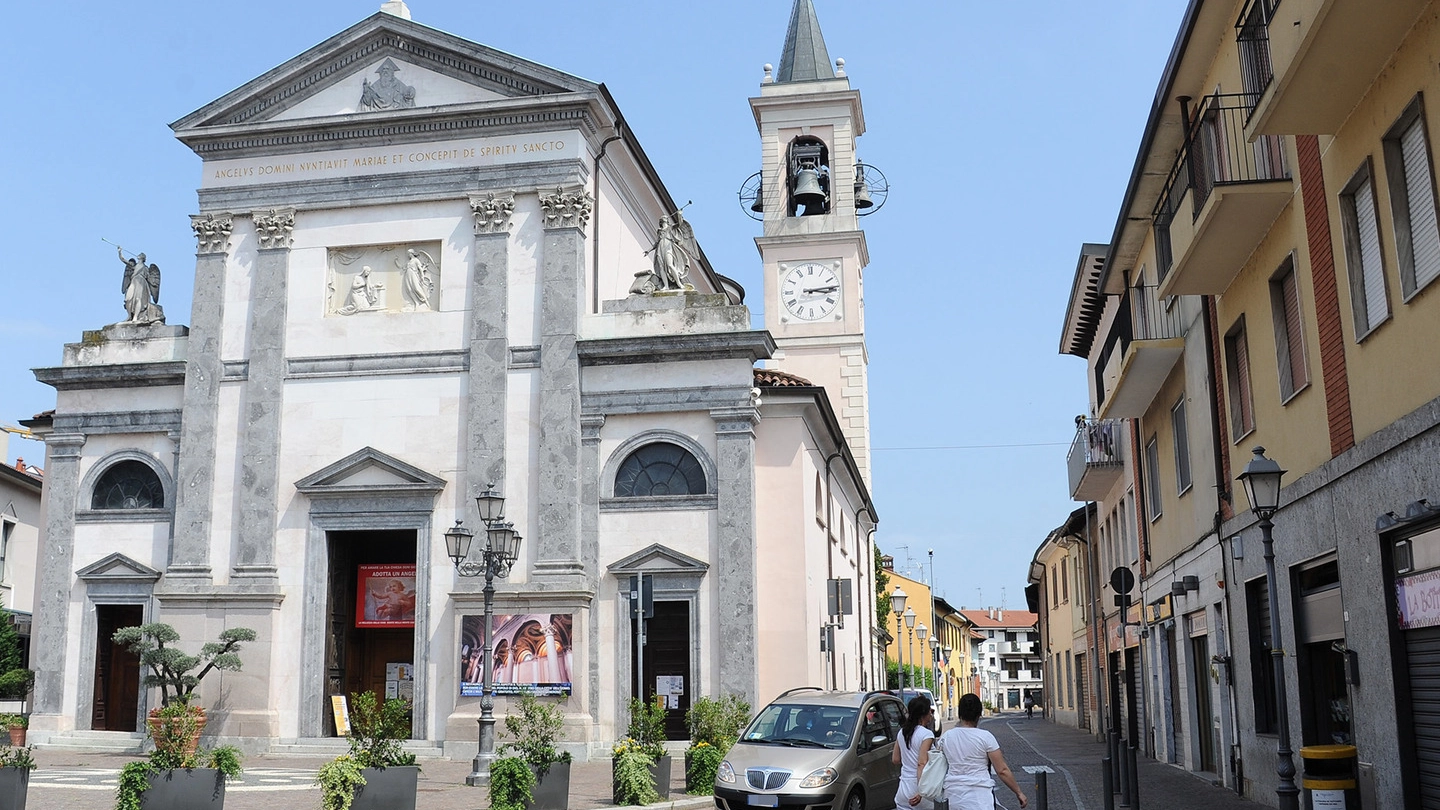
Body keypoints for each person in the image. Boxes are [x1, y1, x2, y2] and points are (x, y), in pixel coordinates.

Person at [938, 693, 1027, 810]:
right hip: (979, 797)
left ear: (960, 714)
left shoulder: (946, 737)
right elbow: (1002, 770)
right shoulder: (986, 737)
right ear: (979, 714)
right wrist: (1018, 792)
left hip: (953, 796)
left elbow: (938, 763)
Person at [891, 694, 936, 809]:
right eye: (930, 711)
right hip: (918, 789)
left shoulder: (902, 732)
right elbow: (922, 763)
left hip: (903, 788)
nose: (931, 714)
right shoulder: (926, 735)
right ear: (923, 714)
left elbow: (895, 759)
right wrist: (921, 791)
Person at [118, 247, 165, 324]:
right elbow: (123, 260)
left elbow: (150, 279)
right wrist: (120, 252)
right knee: (127, 299)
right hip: (134, 281)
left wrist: (153, 283)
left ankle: (135, 317)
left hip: (141, 282)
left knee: (138, 299)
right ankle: (129, 316)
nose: (139, 255)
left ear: (142, 258)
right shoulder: (134, 265)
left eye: (140, 255)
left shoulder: (146, 268)